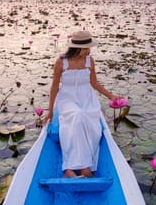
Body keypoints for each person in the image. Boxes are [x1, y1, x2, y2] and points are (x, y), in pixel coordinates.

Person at [45, 30, 120, 178]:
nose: (89, 51)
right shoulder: (61, 62)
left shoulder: (89, 61)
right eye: (86, 48)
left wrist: (111, 96)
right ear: (76, 48)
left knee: (92, 128)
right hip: (67, 99)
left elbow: (94, 83)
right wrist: (50, 111)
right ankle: (76, 167)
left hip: (87, 98)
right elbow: (54, 87)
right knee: (77, 117)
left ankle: (79, 167)